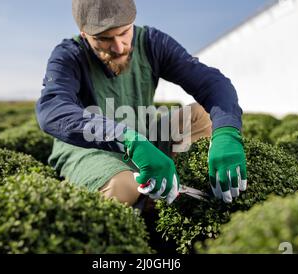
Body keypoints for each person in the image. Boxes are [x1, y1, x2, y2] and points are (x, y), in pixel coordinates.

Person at [35, 0, 248, 208]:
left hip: (143, 138)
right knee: (123, 188)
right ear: (85, 35)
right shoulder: (68, 56)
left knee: (202, 115)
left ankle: (177, 189)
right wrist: (126, 139)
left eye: (124, 33)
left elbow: (212, 83)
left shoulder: (152, 43)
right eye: (104, 39)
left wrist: (227, 132)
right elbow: (52, 109)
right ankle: (147, 209)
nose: (118, 47)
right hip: (89, 149)